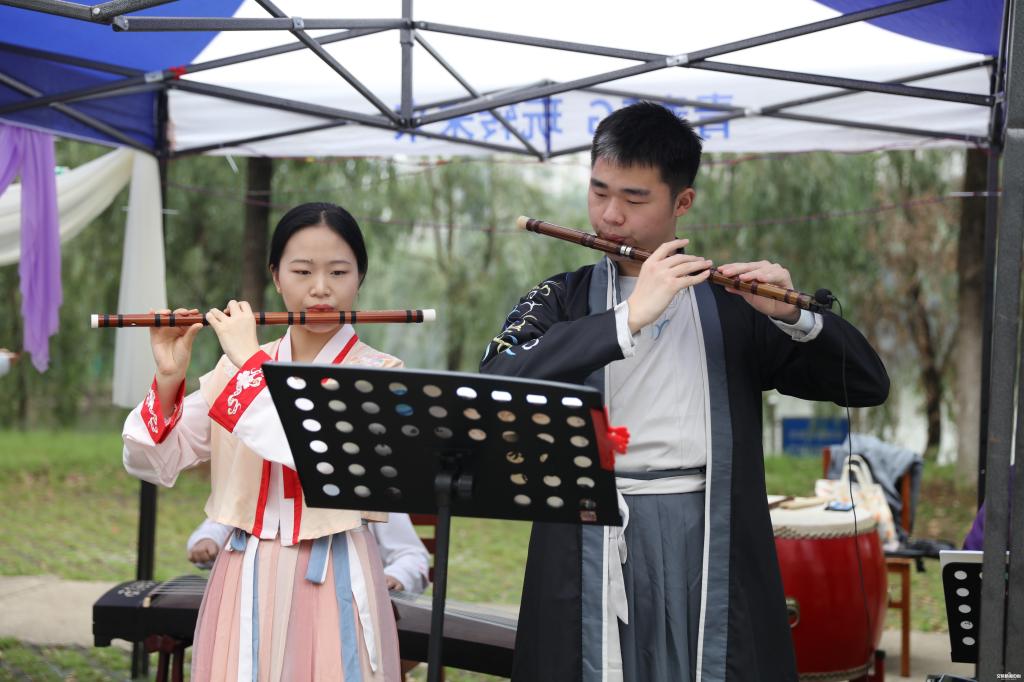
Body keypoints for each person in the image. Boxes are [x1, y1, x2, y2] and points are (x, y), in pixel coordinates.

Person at [480, 102, 890, 681]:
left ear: (683, 202)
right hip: (589, 532)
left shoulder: (732, 302)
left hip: (707, 530)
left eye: (634, 198)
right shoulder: (560, 298)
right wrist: (625, 319)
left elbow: (867, 384)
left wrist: (792, 317)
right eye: (598, 192)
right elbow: (494, 385)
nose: (610, 215)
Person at [122, 202, 403, 682]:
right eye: (301, 271)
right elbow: (153, 461)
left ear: (360, 278)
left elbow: (310, 454)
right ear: (276, 277)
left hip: (336, 570)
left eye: (338, 271)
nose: (320, 288)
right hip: (244, 570)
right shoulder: (236, 369)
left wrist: (251, 363)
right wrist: (169, 378)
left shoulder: (378, 376)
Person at [187, 514, 431, 595]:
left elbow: (412, 555)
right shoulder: (266, 472)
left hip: (348, 604)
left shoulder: (366, 485)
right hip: (265, 599)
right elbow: (226, 518)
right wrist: (208, 539)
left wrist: (395, 576)